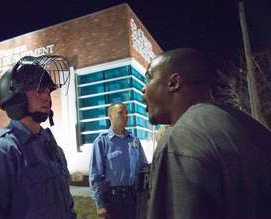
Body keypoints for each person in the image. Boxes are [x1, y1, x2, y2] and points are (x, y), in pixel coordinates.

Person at [142, 48, 271, 219]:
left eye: (149, 78)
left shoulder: (182, 139)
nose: (144, 89)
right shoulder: (250, 125)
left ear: (174, 83)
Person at [0, 55, 76, 219]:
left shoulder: (53, 148)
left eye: (48, 91)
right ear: (17, 96)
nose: (47, 97)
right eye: (39, 90)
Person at [89, 103, 148, 219]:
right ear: (110, 116)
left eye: (126, 113)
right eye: (120, 113)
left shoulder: (134, 141)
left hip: (134, 198)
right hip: (113, 200)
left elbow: (143, 167)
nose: (125, 116)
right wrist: (100, 204)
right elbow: (95, 176)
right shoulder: (101, 142)